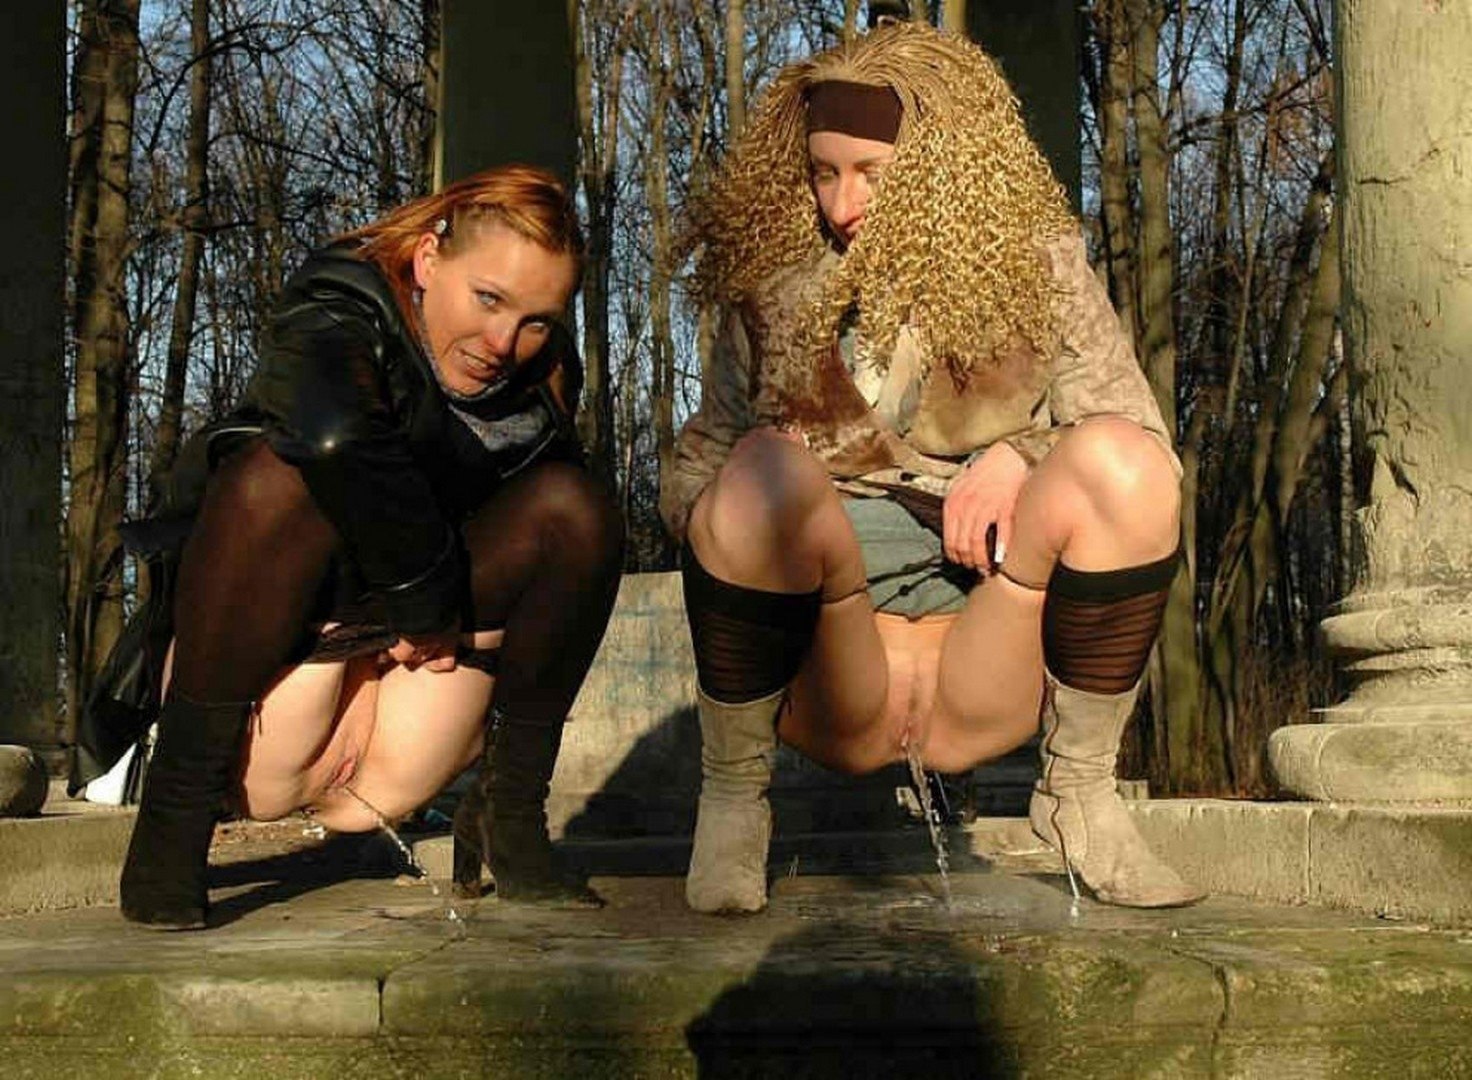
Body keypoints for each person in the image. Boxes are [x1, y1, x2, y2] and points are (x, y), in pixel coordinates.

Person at [663, 22, 1202, 914]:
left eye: (871, 173)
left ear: (939, 166)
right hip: (832, 664)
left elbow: (1138, 435)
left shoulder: (1037, 268)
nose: (841, 203)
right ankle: (730, 800)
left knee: (1125, 466)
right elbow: (695, 468)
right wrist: (773, 498)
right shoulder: (769, 286)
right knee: (757, 467)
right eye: (823, 172)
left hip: (989, 654)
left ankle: (1080, 794)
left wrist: (1020, 456)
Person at [91, 164, 623, 929]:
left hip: (408, 695)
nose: (504, 342)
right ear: (428, 259)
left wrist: (433, 609)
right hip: (278, 680)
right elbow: (336, 437)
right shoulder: (342, 299)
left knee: (578, 512)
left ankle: (509, 821)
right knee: (277, 474)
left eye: (537, 319)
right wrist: (425, 596)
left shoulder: (544, 371)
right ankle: (170, 831)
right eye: (488, 298)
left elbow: (550, 563)